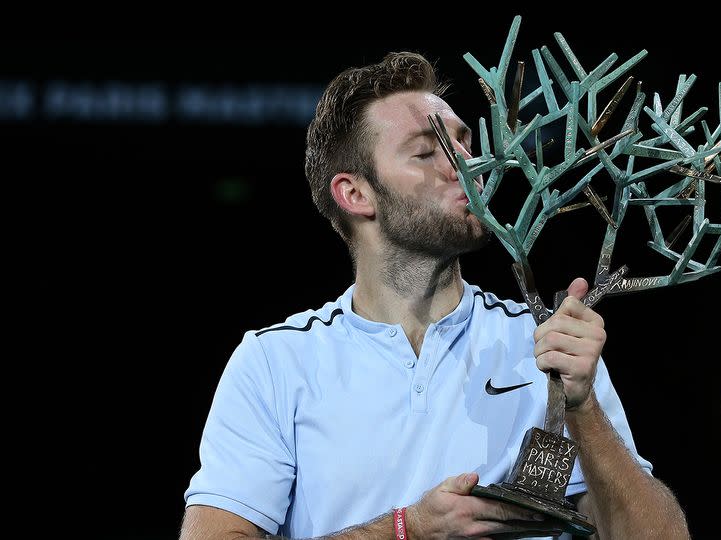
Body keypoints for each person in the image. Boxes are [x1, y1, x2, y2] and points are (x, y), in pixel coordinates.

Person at [180, 51, 689, 540]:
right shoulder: (275, 363)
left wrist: (582, 408)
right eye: (428, 151)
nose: (468, 166)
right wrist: (409, 529)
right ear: (355, 194)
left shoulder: (545, 343)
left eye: (466, 145)